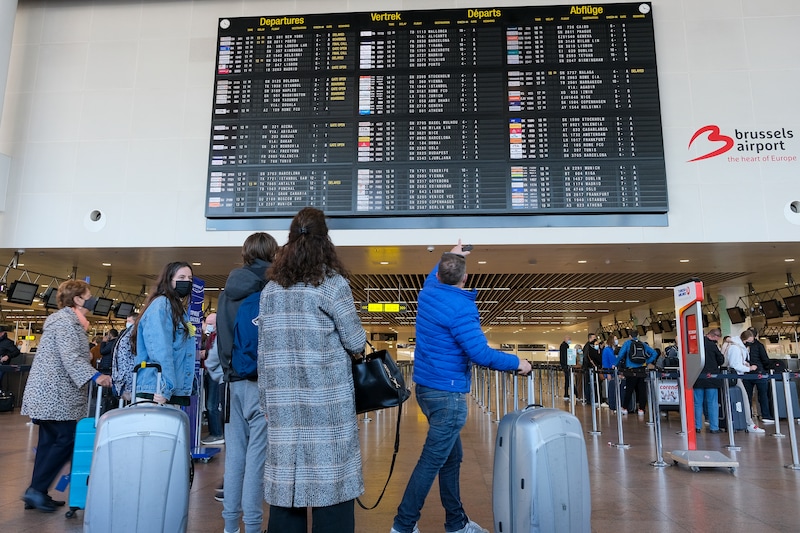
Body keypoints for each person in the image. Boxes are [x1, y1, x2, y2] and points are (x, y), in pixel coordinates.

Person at [391, 243, 532, 533]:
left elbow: (436, 274)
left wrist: (453, 253)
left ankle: (456, 524)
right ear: (465, 278)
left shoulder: (428, 292)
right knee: (431, 461)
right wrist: (517, 362)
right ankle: (402, 526)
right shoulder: (461, 307)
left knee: (452, 458)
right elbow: (479, 353)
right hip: (448, 395)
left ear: (438, 275)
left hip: (426, 390)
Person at [258, 208, 366, 533]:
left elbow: (264, 353)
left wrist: (266, 402)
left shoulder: (270, 291)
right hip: (327, 404)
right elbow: (356, 341)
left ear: (289, 240)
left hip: (283, 405)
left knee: (287, 491)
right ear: (325, 241)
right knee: (331, 490)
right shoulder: (332, 285)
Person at [20, 280, 113, 512]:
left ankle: (37, 492)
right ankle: (35, 491)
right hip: (54, 394)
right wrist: (96, 376)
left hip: (55, 394)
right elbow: (70, 357)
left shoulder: (71, 322)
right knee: (67, 438)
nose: (92, 300)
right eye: (88, 295)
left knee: (49, 442)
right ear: (77, 299)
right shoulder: (65, 321)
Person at [217, 231, 278, 533]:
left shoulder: (226, 292)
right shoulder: (272, 288)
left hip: (232, 384)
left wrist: (228, 371)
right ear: (273, 253)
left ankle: (230, 526)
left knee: (235, 458)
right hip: (259, 383)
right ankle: (253, 526)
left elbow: (221, 338)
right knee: (257, 459)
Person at [132, 262, 195, 406]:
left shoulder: (176, 308)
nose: (187, 282)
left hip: (166, 390)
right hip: (157, 391)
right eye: (181, 277)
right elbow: (160, 350)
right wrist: (165, 387)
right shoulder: (162, 305)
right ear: (169, 280)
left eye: (190, 278)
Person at [726, 329, 766, 433]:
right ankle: (749, 423)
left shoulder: (738, 347)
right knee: (744, 400)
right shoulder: (735, 348)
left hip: (737, 376)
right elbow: (735, 365)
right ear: (745, 340)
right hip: (736, 377)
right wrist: (749, 368)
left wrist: (744, 363)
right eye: (750, 341)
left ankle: (746, 422)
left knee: (743, 400)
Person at [615, 329, 658, 415]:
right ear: (637, 335)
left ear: (630, 336)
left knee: (629, 390)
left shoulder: (627, 343)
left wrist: (615, 364)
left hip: (631, 370)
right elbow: (654, 353)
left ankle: (625, 408)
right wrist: (647, 362)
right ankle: (641, 409)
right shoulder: (642, 344)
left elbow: (620, 355)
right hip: (641, 370)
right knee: (642, 390)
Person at [201, 313, 224, 446]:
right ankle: (214, 432)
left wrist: (207, 356)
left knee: (212, 405)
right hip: (209, 373)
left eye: (211, 324)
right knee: (210, 404)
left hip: (215, 374)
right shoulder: (211, 336)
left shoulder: (219, 336)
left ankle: (217, 433)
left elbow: (218, 354)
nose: (208, 326)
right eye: (207, 323)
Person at [695, 328, 725, 433]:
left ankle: (697, 426)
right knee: (712, 403)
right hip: (711, 378)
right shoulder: (713, 345)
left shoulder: (697, 344)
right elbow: (721, 360)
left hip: (697, 377)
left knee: (697, 403)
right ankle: (714, 427)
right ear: (715, 336)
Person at [744, 327, 774, 424]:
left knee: (747, 396)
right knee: (763, 395)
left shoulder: (743, 345)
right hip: (759, 372)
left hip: (746, 373)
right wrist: (766, 369)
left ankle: (747, 416)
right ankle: (765, 415)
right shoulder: (759, 345)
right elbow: (765, 359)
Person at [112, 312, 139, 402]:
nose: (127, 323)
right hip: (125, 376)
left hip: (126, 377)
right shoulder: (128, 333)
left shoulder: (131, 333)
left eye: (129, 321)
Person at [582, 333, 600, 404]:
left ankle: (589, 399)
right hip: (590, 368)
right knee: (590, 384)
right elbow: (588, 357)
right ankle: (591, 399)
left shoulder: (587, 346)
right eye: (593, 338)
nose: (595, 339)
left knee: (588, 383)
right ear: (590, 338)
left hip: (588, 368)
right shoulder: (589, 347)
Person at [559, 335, 572, 400]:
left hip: (564, 365)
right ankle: (576, 393)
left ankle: (566, 394)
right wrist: (567, 365)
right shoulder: (565, 346)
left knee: (568, 380)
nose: (570, 340)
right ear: (565, 339)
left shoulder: (563, 345)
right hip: (566, 365)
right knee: (569, 379)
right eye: (569, 339)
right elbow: (565, 356)